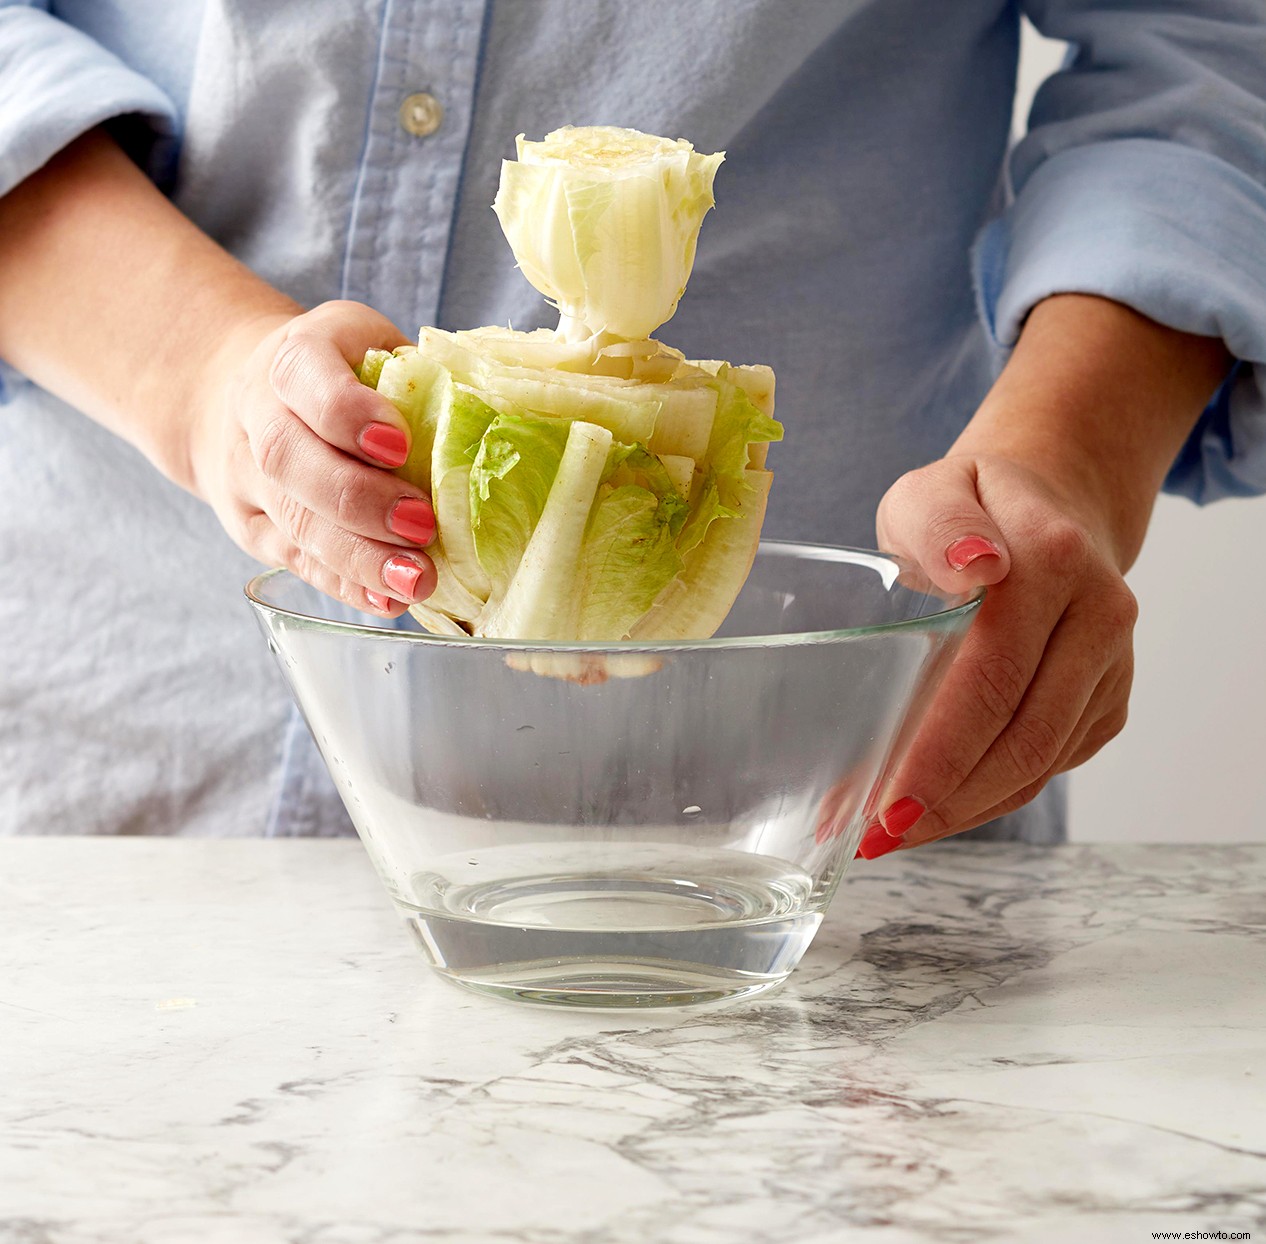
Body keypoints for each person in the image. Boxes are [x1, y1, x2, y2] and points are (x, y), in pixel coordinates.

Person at [1, 2, 1262, 846]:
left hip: (805, 810)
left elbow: (1206, 51)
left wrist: (1066, 460)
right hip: (122, 761)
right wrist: (201, 375)